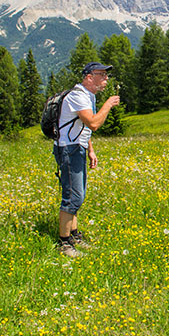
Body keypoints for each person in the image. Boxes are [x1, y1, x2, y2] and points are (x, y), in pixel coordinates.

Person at [54, 61, 120, 257]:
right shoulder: (78, 95)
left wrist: (90, 149)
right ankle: (64, 243)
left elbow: (82, 127)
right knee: (73, 196)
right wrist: (108, 104)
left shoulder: (87, 95)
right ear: (89, 77)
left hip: (77, 147)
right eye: (102, 75)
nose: (106, 79)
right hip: (69, 149)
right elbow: (93, 124)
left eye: (106, 75)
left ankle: (74, 236)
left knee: (78, 194)